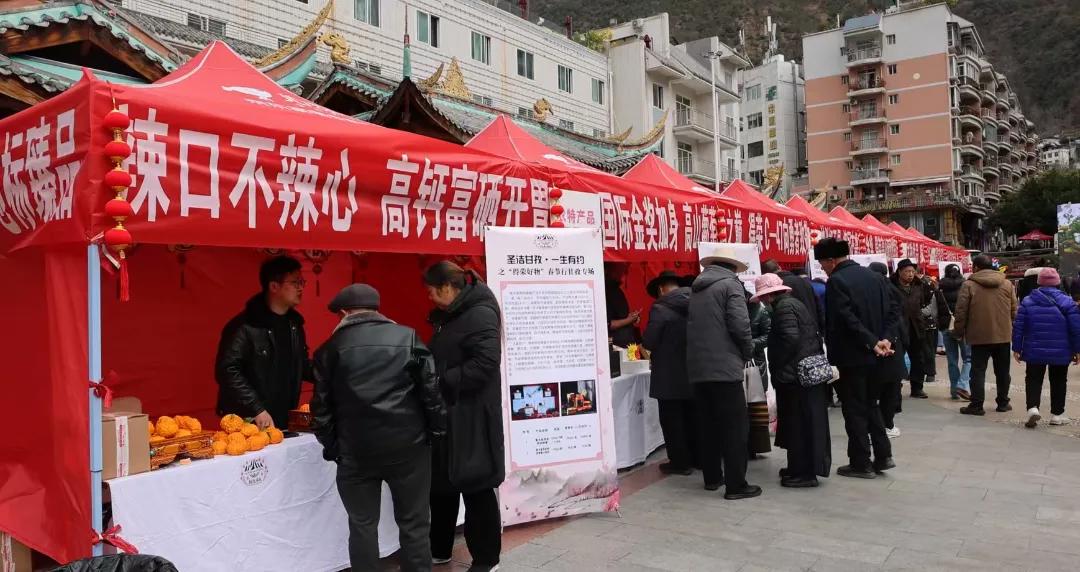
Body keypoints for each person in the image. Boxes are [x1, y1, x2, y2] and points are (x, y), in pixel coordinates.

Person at [311, 284, 446, 572]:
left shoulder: (329, 349)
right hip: (409, 447)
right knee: (414, 524)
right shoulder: (407, 338)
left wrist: (335, 448)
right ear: (376, 309)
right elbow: (431, 392)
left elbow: (321, 409)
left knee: (362, 526)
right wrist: (435, 434)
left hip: (356, 452)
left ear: (344, 313)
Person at [424, 262, 504, 572]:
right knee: (442, 484)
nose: (429, 298)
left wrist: (442, 379)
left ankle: (486, 559)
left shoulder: (480, 313)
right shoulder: (453, 314)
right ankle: (439, 548)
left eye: (431, 292)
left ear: (447, 287)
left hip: (473, 416)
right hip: (448, 413)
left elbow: (485, 364)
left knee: (476, 486)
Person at [815, 238, 899, 478]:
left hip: (852, 356)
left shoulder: (837, 281)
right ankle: (883, 456)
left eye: (822, 263)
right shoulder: (875, 277)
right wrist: (885, 339)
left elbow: (845, 318)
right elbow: (895, 310)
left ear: (832, 260)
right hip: (879, 355)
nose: (822, 268)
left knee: (854, 409)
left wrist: (872, 342)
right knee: (871, 404)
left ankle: (860, 462)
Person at [687, 244, 761, 499]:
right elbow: (740, 325)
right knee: (734, 428)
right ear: (733, 269)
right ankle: (736, 485)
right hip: (725, 367)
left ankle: (712, 478)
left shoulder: (697, 288)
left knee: (707, 425)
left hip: (698, 367)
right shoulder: (731, 286)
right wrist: (747, 351)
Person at [215, 255, 311, 430]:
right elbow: (228, 371)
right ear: (274, 286)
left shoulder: (295, 324)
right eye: (295, 282)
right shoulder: (244, 326)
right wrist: (256, 409)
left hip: (284, 415)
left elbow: (302, 365)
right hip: (248, 420)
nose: (301, 288)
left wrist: (333, 374)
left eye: (302, 282)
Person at [754, 274, 831, 488]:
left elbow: (790, 339)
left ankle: (804, 473)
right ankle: (797, 467)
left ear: (768, 295)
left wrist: (778, 363)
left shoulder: (784, 308)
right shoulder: (792, 304)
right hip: (799, 374)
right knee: (798, 423)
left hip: (795, 376)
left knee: (798, 424)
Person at [642, 270, 696, 475]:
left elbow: (649, 340)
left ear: (660, 289)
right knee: (691, 416)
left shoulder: (660, 308)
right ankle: (695, 457)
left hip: (667, 373)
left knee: (671, 420)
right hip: (693, 369)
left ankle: (680, 462)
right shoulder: (696, 302)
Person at [1012, 268, 1080, 428]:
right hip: (1061, 349)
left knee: (1033, 378)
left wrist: (1017, 347)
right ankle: (1057, 414)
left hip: (1034, 348)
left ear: (1039, 283)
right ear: (1057, 283)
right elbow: (1076, 329)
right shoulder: (1068, 302)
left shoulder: (1027, 301)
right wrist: (1077, 350)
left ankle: (1032, 408)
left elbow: (1018, 326)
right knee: (1059, 380)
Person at [954, 255, 1017, 415]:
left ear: (975, 267)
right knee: (1003, 371)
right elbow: (1014, 310)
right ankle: (1003, 402)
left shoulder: (969, 285)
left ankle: (976, 405)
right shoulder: (1007, 284)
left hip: (978, 336)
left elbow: (961, 311)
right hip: (1003, 335)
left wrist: (959, 331)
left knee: (977, 371)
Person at [869, 261, 905, 439]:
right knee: (890, 390)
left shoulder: (868, 291)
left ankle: (874, 427)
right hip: (892, 347)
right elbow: (898, 320)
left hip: (872, 346)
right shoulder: (893, 291)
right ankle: (887, 425)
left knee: (873, 391)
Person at [892, 259, 934, 399]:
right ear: (899, 272)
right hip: (898, 328)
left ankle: (917, 388)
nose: (910, 274)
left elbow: (925, 302)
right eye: (907, 271)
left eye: (912, 271)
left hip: (916, 327)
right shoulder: (891, 285)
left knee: (918, 359)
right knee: (896, 358)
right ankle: (895, 388)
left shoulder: (919, 285)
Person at [762, 260, 823, 337]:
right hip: (813, 332)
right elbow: (818, 308)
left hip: (795, 335)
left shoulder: (777, 288)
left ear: (766, 275)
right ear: (779, 267)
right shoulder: (804, 282)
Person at [938, 264, 972, 400]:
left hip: (946, 327)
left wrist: (941, 324)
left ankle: (954, 390)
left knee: (952, 360)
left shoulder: (939, 288)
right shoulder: (966, 287)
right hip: (963, 327)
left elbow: (934, 310)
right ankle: (962, 385)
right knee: (968, 358)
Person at [605, 262, 640, 347]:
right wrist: (629, 319)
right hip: (617, 346)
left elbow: (620, 316)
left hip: (627, 343)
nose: (625, 271)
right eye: (623, 267)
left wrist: (631, 316)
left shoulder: (616, 289)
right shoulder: (605, 290)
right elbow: (608, 324)